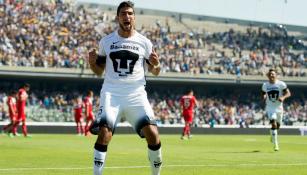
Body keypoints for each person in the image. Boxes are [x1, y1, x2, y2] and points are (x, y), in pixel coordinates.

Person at [88, 1, 162, 175]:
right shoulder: (106, 42)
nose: (126, 16)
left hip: (136, 94)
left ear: (134, 17)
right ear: (117, 17)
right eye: (123, 13)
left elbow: (155, 71)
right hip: (112, 93)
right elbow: (98, 72)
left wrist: (157, 64)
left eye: (130, 13)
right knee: (105, 133)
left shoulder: (144, 42)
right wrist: (92, 63)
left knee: (153, 134)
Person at [261, 68, 291, 151]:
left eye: (273, 74)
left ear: (276, 75)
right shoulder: (265, 85)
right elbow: (263, 94)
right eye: (270, 74)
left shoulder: (281, 84)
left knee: (278, 126)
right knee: (273, 124)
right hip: (270, 107)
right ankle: (276, 145)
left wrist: (283, 97)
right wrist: (263, 97)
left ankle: (272, 134)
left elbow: (288, 93)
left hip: (279, 108)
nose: (271, 75)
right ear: (268, 76)